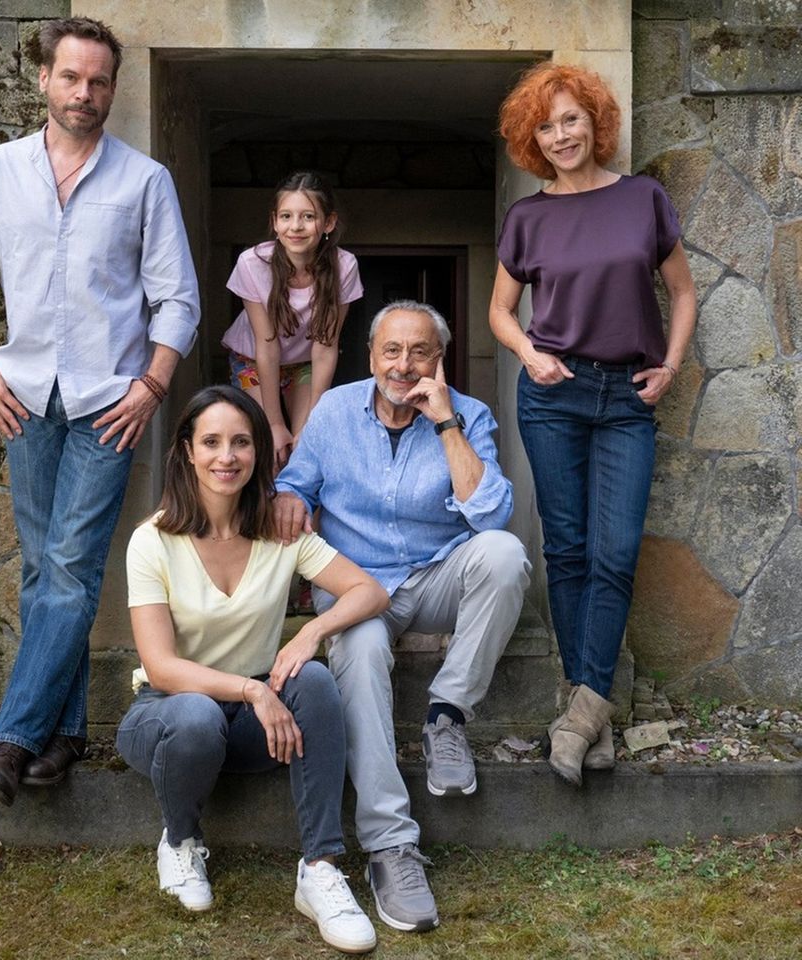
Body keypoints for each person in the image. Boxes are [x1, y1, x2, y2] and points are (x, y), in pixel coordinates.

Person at [0, 16, 201, 806]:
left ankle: (12, 737)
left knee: (72, 564)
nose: (85, 92)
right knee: (43, 568)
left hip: (107, 405)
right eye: (72, 77)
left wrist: (150, 388)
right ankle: (65, 732)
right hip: (22, 398)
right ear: (44, 79)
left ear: (112, 90)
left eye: (99, 81)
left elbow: (178, 300)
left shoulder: (145, 181)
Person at [274, 301, 530, 932]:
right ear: (371, 356)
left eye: (420, 352)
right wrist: (289, 500)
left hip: (435, 575)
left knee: (504, 554)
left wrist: (445, 424)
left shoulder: (468, 414)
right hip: (357, 586)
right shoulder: (333, 410)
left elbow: (490, 515)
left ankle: (446, 717)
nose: (404, 365)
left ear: (439, 360)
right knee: (359, 648)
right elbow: (295, 482)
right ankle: (390, 844)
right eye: (391, 350)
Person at [116, 386, 387, 954]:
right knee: (195, 715)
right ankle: (180, 842)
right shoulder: (152, 541)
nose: (227, 456)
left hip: (251, 727)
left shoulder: (280, 531)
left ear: (258, 452)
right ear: (187, 450)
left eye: (241, 442)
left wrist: (311, 631)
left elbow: (369, 591)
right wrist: (251, 689)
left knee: (314, 678)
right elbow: (161, 667)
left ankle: (320, 870)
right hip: (167, 720)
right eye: (211, 442)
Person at [489, 62, 697, 787]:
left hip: (628, 399)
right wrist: (528, 353)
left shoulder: (643, 199)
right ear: (533, 140)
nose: (561, 135)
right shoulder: (528, 218)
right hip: (554, 396)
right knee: (569, 551)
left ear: (595, 122)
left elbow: (682, 292)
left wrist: (669, 367)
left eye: (571, 119)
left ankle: (578, 718)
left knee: (617, 552)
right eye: (546, 127)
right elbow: (499, 312)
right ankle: (590, 715)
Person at [221, 171, 363, 473]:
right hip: (253, 360)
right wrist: (274, 424)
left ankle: (301, 506)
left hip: (305, 363)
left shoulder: (344, 266)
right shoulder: (252, 263)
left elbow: (326, 346)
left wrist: (312, 420)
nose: (296, 226)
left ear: (328, 223)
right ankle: (265, 503)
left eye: (308, 216)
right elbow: (267, 345)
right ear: (275, 222)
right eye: (286, 216)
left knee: (307, 449)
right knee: (267, 449)